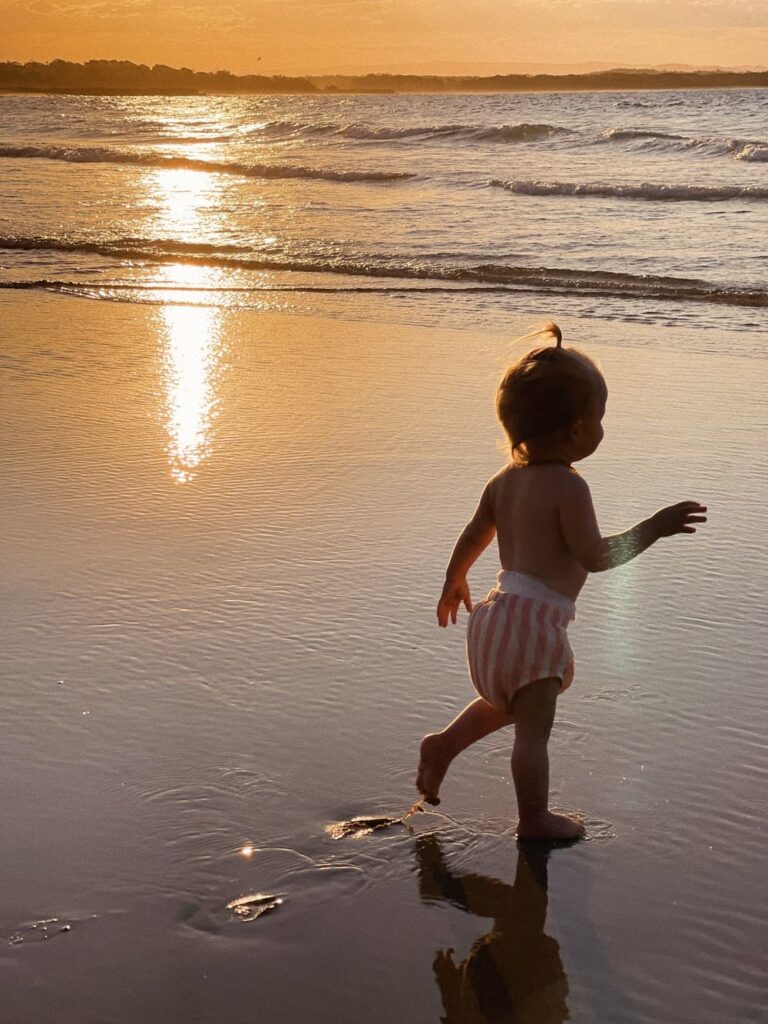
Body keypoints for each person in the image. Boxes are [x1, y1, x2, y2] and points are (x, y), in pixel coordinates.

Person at [416, 323, 706, 840]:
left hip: (496, 615)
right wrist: (653, 528)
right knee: (532, 735)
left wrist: (453, 579)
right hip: (534, 624)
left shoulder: (502, 481)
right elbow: (595, 557)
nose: (602, 428)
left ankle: (444, 745)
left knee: (507, 703)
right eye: (600, 417)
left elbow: (475, 532)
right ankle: (534, 820)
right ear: (576, 430)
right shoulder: (570, 488)